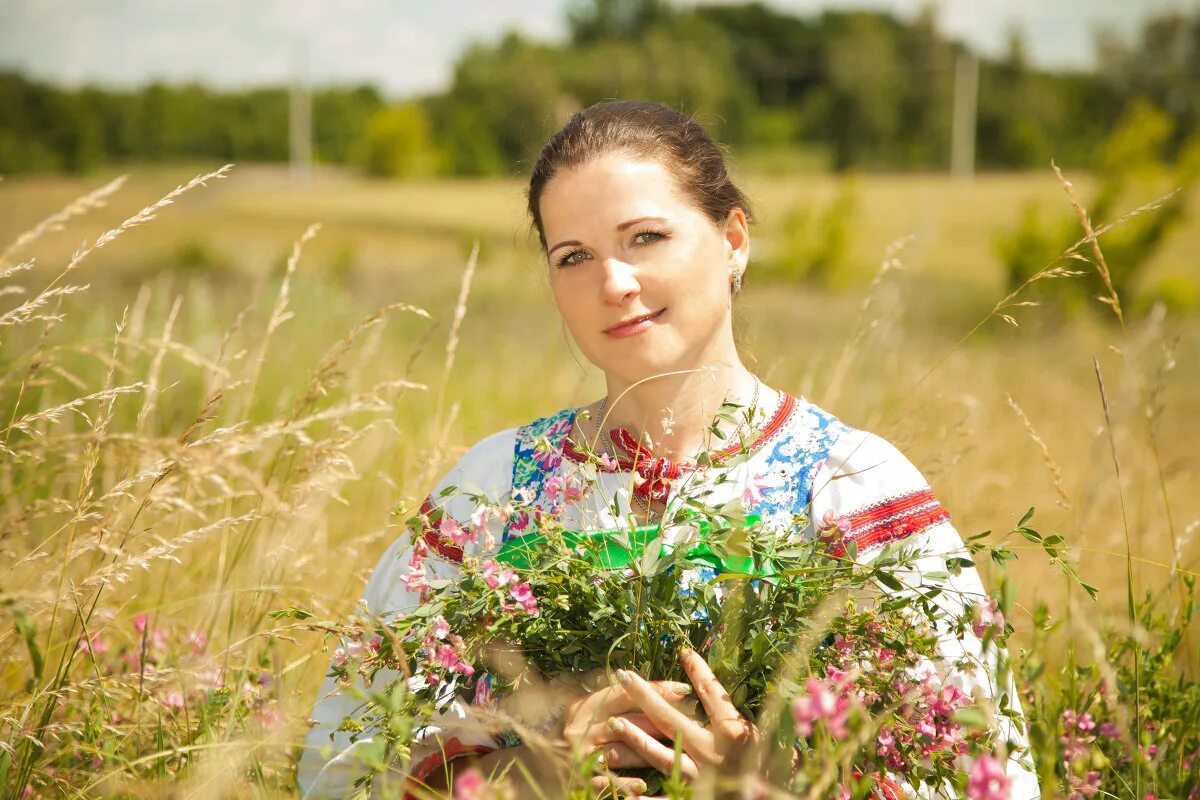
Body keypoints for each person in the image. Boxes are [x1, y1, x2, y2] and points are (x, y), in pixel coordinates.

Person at [296, 100, 1040, 799]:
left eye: (645, 238)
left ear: (734, 240)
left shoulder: (850, 486)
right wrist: (538, 771)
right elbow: (339, 766)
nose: (614, 283)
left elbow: (986, 771)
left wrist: (771, 780)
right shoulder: (493, 490)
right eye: (573, 256)